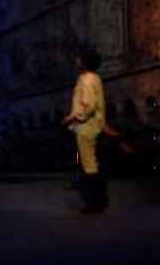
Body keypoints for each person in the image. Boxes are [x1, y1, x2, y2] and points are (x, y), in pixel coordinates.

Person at [61, 45, 108, 214]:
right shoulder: (95, 78)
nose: (76, 60)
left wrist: (71, 118)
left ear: (84, 61)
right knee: (92, 162)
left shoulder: (85, 80)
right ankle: (99, 199)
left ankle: (94, 203)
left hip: (86, 127)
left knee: (89, 164)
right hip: (95, 125)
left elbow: (88, 106)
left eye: (79, 58)